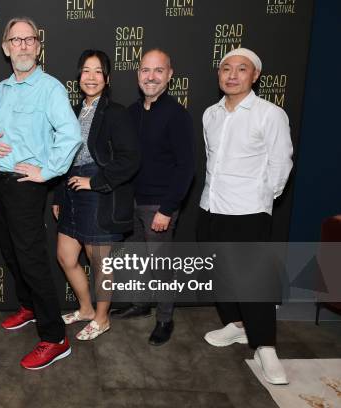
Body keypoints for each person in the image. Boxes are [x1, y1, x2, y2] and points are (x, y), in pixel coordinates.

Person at [0, 17, 81, 370]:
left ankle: (55, 338)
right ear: (6, 47)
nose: (23, 46)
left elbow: (70, 135)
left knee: (32, 259)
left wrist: (48, 171)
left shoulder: (50, 88)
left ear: (38, 46)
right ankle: (28, 307)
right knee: (10, 252)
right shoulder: (0, 90)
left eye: (29, 40)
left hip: (26, 187)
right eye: (16, 40)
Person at [197, 48, 293, 385]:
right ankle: (236, 326)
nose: (232, 74)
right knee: (219, 273)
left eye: (242, 69)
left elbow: (282, 165)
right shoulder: (210, 114)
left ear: (255, 76)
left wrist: (262, 197)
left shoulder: (270, 114)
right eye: (226, 68)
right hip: (211, 207)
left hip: (248, 210)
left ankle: (266, 347)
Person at [52, 50, 139, 341]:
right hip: (71, 190)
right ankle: (87, 309)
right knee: (66, 256)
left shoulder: (116, 112)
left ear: (107, 78)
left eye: (98, 71)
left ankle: (102, 319)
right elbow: (62, 157)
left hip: (100, 192)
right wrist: (58, 197)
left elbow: (130, 159)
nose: (91, 77)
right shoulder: (72, 112)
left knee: (100, 261)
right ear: (78, 77)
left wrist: (95, 182)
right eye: (86, 71)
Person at [112, 49, 195, 347]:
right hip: (131, 202)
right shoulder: (131, 113)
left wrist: (167, 209)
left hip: (159, 205)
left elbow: (187, 167)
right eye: (145, 70)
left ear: (170, 75)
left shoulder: (177, 115)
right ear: (138, 75)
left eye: (158, 70)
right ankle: (140, 303)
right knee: (136, 259)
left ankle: (165, 319)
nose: (151, 76)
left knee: (161, 265)